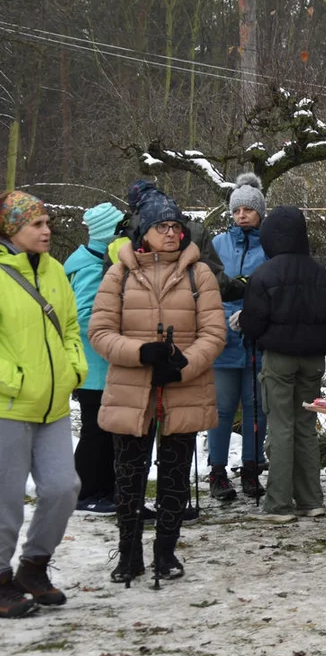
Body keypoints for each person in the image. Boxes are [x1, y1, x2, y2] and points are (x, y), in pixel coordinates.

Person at [89, 190, 225, 584]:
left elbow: (214, 334)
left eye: (176, 226)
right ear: (142, 233)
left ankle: (166, 552)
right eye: (161, 226)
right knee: (129, 476)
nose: (171, 233)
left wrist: (183, 365)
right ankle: (128, 554)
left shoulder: (199, 273)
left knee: (175, 475)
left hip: (183, 390)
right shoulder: (120, 272)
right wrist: (140, 352)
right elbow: (99, 332)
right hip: (130, 392)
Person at [0, 191, 86, 618]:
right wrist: (13, 381)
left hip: (53, 406)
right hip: (7, 407)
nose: (47, 230)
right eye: (37, 224)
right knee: (5, 499)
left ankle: (33, 567)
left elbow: (70, 325)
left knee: (63, 488)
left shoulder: (54, 270)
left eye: (48, 222)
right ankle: (0, 580)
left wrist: (74, 368)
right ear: (12, 229)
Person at [237, 206, 326, 522]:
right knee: (305, 427)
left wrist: (248, 327)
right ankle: (311, 500)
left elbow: (254, 323)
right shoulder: (320, 272)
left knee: (280, 427)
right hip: (313, 360)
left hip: (279, 359)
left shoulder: (264, 274)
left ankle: (279, 503)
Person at [207, 173, 268, 501]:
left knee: (257, 409)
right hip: (222, 341)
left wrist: (254, 318)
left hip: (257, 342)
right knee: (221, 409)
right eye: (236, 210)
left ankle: (251, 470)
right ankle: (217, 472)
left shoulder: (270, 245)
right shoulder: (217, 245)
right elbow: (208, 286)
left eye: (248, 209)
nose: (241, 215)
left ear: (260, 212)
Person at [65, 202, 127, 515]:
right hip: (95, 365)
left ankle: (102, 489)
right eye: (121, 228)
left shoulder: (87, 259)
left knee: (101, 431)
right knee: (95, 432)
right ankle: (87, 491)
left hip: (96, 365)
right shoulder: (91, 265)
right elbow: (84, 315)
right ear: (109, 233)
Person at [106, 180, 246, 302]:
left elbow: (108, 301)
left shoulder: (117, 243)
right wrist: (244, 285)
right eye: (161, 228)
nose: (170, 233)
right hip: (188, 322)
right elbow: (216, 285)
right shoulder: (193, 231)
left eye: (174, 228)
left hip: (134, 325)